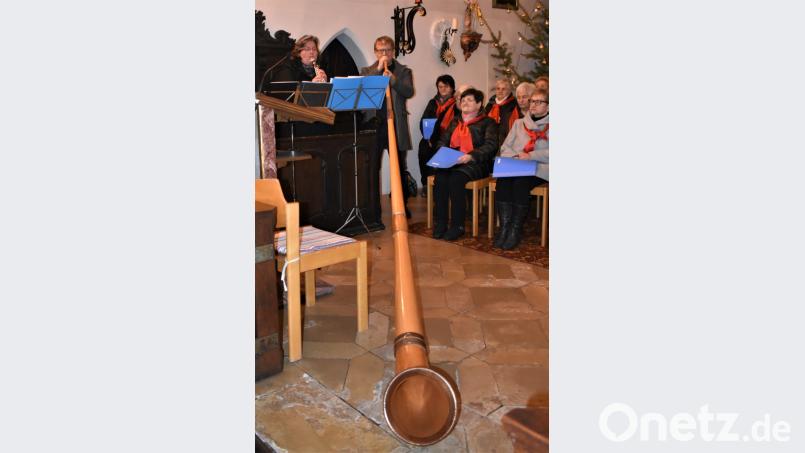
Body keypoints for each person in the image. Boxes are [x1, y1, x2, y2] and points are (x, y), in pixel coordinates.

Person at [432, 88, 498, 241]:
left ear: (479, 104)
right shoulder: (455, 121)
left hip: (476, 162)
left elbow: (491, 145)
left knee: (456, 179)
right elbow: (443, 140)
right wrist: (443, 153)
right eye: (463, 100)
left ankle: (458, 225)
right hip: (454, 160)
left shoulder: (488, 122)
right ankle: (441, 223)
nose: (465, 102)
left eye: (469, 100)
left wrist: (471, 156)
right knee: (440, 177)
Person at [360, 36, 415, 217]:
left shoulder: (403, 71)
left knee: (399, 167)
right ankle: (373, 209)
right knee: (372, 167)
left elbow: (408, 91)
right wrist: (378, 71)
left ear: (393, 52)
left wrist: (393, 79)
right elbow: (364, 87)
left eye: (388, 50)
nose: (384, 54)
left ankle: (401, 206)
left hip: (396, 125)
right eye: (380, 51)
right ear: (375, 52)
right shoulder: (367, 70)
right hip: (375, 126)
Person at [493, 88, 549, 250]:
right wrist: (517, 156)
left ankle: (515, 230)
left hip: (540, 167)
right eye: (532, 101)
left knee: (520, 183)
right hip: (517, 163)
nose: (533, 105)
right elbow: (505, 147)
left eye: (539, 102)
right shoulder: (519, 123)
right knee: (503, 180)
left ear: (548, 106)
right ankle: (505, 228)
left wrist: (531, 156)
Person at [417, 75, 456, 194]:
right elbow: (424, 120)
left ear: (452, 88)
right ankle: (426, 184)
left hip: (447, 138)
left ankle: (439, 185)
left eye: (446, 86)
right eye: (440, 86)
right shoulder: (433, 102)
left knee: (440, 150)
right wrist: (427, 136)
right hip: (431, 137)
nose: (443, 89)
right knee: (423, 148)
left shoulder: (456, 104)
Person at [484, 78, 518, 145]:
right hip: (489, 138)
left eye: (503, 89)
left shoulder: (513, 104)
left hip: (506, 139)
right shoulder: (490, 103)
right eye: (498, 88)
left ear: (509, 91)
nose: (500, 91)